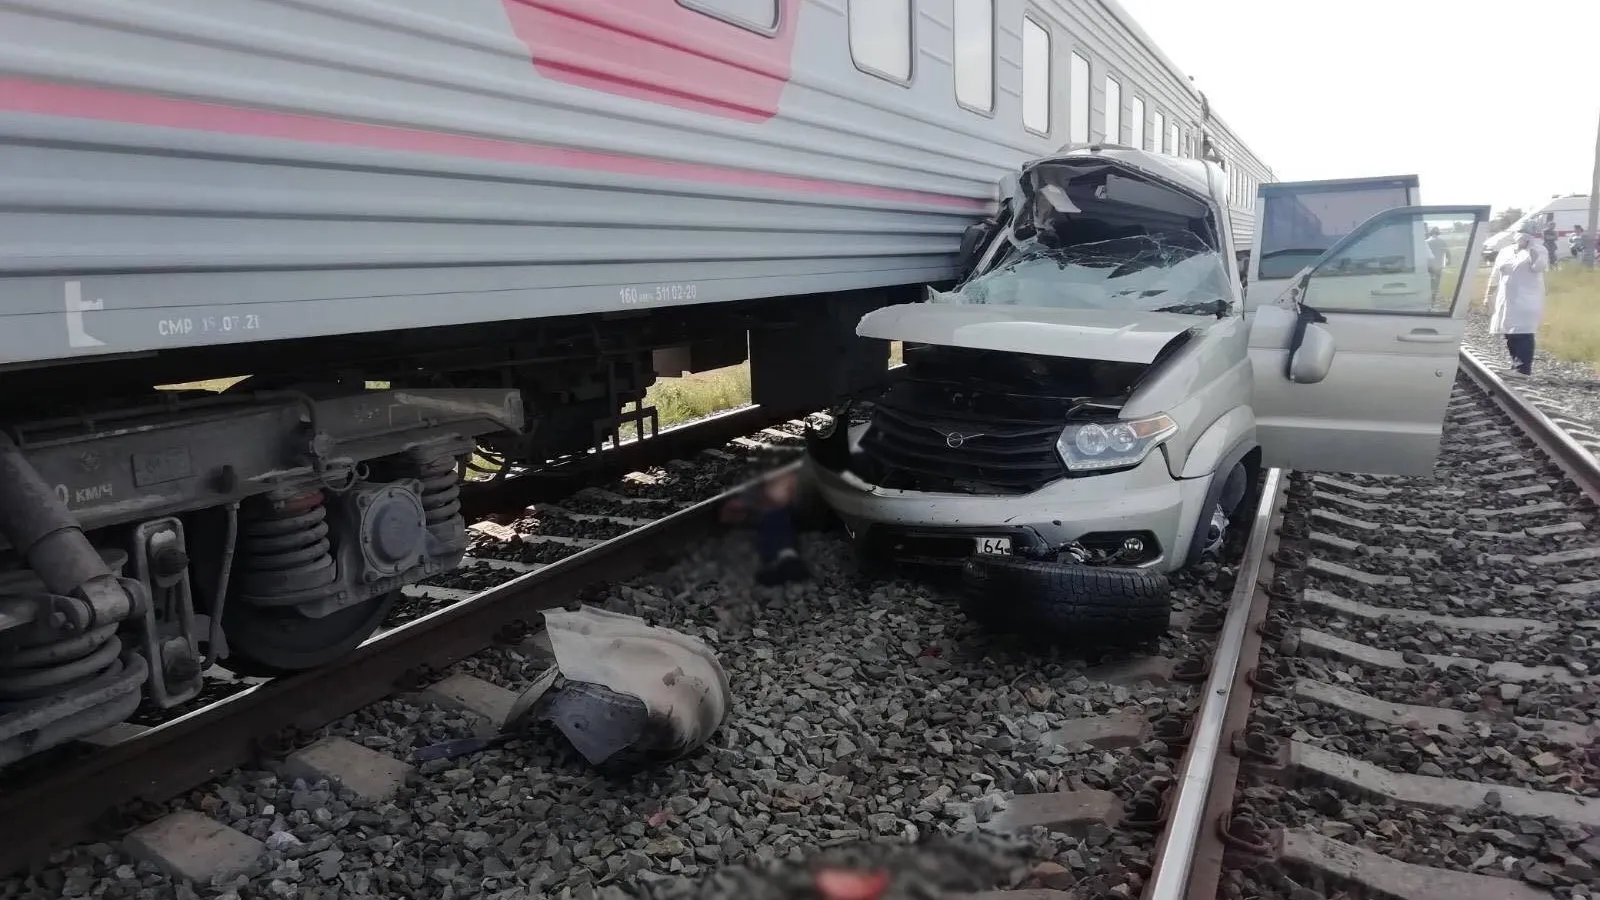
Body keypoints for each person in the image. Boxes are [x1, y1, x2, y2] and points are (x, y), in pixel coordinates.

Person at [1485, 222, 1550, 377]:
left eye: (1526, 234)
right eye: (1519, 233)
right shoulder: (1505, 251)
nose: (1522, 237)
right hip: (1506, 298)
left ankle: (1523, 369)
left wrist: (1531, 249)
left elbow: (1539, 267)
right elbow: (1495, 273)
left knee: (1523, 332)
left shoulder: (1539, 250)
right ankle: (1515, 365)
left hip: (1527, 299)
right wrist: (1488, 294)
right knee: (1509, 331)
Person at [1425, 226, 1447, 299]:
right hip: (1439, 264)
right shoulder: (1442, 241)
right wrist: (1449, 260)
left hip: (1429, 264)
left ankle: (1430, 294)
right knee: (1437, 280)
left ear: (1430, 233)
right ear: (1438, 233)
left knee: (1430, 280)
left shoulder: (1426, 242)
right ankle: (1434, 295)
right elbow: (1446, 252)